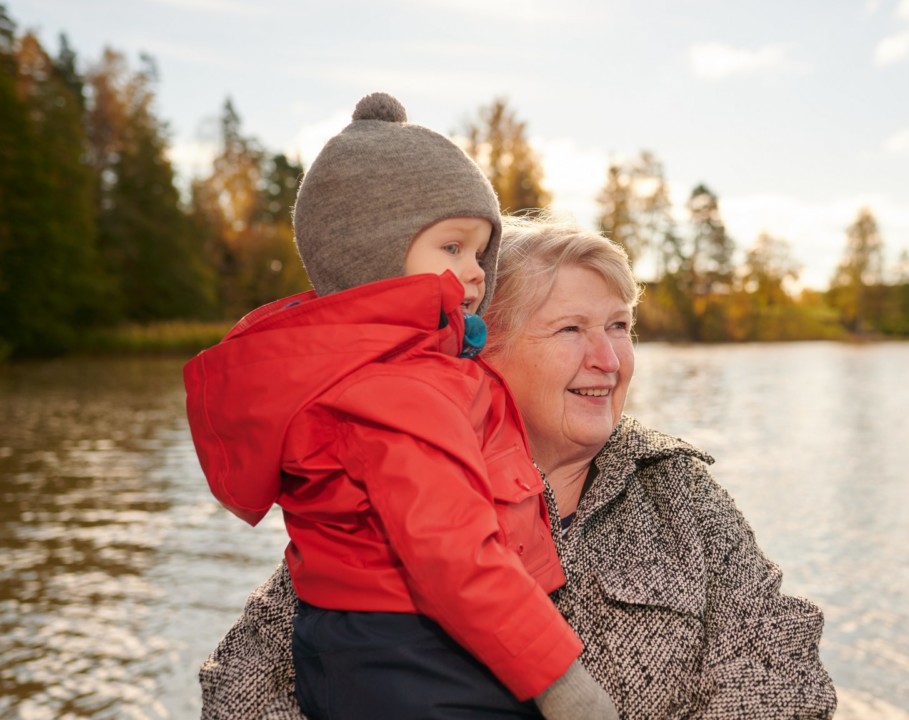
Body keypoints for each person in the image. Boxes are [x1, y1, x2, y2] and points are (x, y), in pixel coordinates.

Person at [199, 216, 839, 719]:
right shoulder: (388, 481)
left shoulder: (683, 493)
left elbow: (784, 676)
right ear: (483, 349)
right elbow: (241, 686)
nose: (607, 358)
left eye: (620, 326)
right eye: (570, 330)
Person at [184, 93, 616, 720]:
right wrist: (561, 681)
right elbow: (453, 553)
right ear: (375, 255)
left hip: (375, 649)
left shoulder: (379, 369)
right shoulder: (398, 390)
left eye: (480, 252)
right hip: (413, 654)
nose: (475, 273)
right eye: (452, 247)